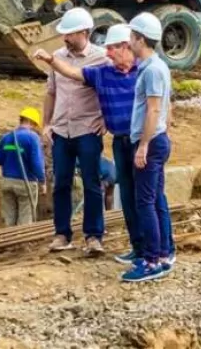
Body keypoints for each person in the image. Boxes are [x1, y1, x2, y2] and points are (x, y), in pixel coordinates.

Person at [34, 23, 175, 266]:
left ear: (126, 47)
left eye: (112, 49)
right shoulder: (104, 73)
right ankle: (139, 248)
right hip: (122, 142)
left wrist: (150, 140)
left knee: (151, 198)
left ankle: (163, 251)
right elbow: (73, 73)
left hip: (143, 141)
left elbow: (159, 107)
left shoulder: (145, 71)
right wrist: (49, 60)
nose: (107, 54)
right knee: (130, 199)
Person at [40, 7, 110, 256]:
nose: (65, 39)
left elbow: (110, 91)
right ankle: (62, 234)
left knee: (92, 183)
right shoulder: (57, 57)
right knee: (61, 183)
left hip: (87, 129)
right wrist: (45, 124)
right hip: (61, 130)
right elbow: (51, 92)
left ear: (83, 32)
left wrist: (106, 119)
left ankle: (93, 236)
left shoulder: (102, 58)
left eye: (69, 34)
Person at [122, 12, 175, 283]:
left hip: (151, 142)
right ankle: (163, 254)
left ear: (140, 39)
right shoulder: (157, 67)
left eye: (131, 36)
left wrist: (143, 145)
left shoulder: (152, 70)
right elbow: (166, 108)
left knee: (145, 202)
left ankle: (153, 260)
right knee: (154, 199)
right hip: (158, 140)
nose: (128, 41)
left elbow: (153, 109)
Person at [0, 107, 47, 226]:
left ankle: (10, 241)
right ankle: (22, 243)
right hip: (25, 183)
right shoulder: (32, 137)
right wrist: (42, 182)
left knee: (9, 217)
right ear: (32, 122)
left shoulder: (6, 137)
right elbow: (36, 163)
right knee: (25, 217)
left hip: (7, 182)